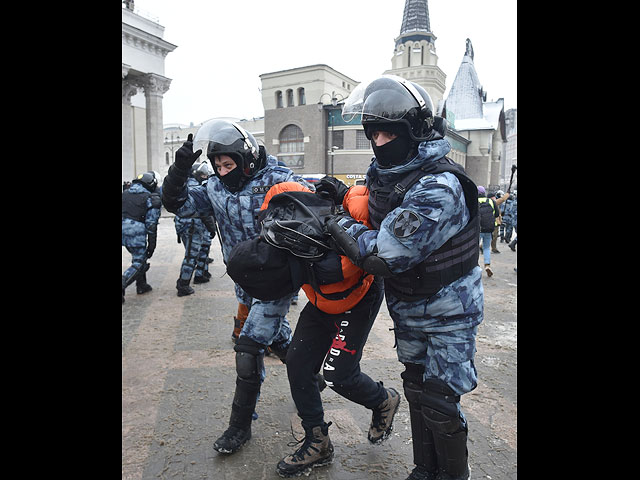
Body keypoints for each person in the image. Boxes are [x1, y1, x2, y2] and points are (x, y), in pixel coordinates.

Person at [324, 75, 483, 480]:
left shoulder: (439, 185)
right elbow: (372, 211)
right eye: (372, 132)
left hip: (449, 311)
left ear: (412, 130)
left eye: (387, 132)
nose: (378, 141)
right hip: (409, 306)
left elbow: (385, 254)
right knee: (415, 390)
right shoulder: (386, 174)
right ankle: (423, 469)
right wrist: (341, 200)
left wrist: (337, 223)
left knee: (440, 402)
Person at [161, 120, 313, 455]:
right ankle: (309, 377)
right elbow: (177, 203)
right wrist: (180, 169)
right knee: (277, 336)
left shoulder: (275, 178)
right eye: (217, 166)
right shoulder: (215, 188)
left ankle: (239, 426)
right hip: (244, 279)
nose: (222, 171)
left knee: (249, 346)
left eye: (228, 164)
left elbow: (312, 208)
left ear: (245, 158)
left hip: (275, 279)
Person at [250, 180, 401, 478]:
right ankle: (317, 441)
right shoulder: (280, 223)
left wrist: (307, 256)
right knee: (297, 363)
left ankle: (383, 400)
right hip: (320, 301)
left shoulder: (351, 209)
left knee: (339, 374)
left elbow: (347, 266)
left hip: (357, 298)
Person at [173, 162, 217, 296]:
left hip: (184, 224)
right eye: (203, 174)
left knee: (194, 251)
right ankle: (183, 284)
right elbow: (204, 212)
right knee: (191, 255)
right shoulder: (196, 187)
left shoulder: (185, 185)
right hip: (193, 225)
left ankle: (200, 274)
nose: (205, 177)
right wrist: (212, 228)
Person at [122, 171, 161, 304]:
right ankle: (123, 282)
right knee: (139, 261)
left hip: (123, 231)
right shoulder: (150, 197)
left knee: (138, 257)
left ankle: (141, 285)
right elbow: (151, 224)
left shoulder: (125, 193)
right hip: (136, 231)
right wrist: (152, 245)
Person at [477, 186, 499, 277]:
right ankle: (487, 265)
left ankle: (475, 266)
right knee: (486, 248)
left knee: (475, 248)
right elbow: (497, 214)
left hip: (478, 229)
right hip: (489, 228)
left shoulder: (474, 202)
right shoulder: (491, 201)